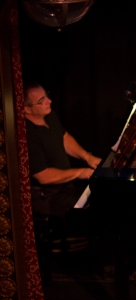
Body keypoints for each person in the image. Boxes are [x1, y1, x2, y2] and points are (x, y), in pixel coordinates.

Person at [24, 82, 101, 218]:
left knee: (103, 196)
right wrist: (79, 172)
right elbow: (43, 176)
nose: (49, 101)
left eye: (46, 95)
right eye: (42, 101)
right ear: (27, 109)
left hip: (66, 189)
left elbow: (64, 137)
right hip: (47, 197)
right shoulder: (27, 135)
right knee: (96, 211)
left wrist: (87, 156)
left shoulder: (50, 115)